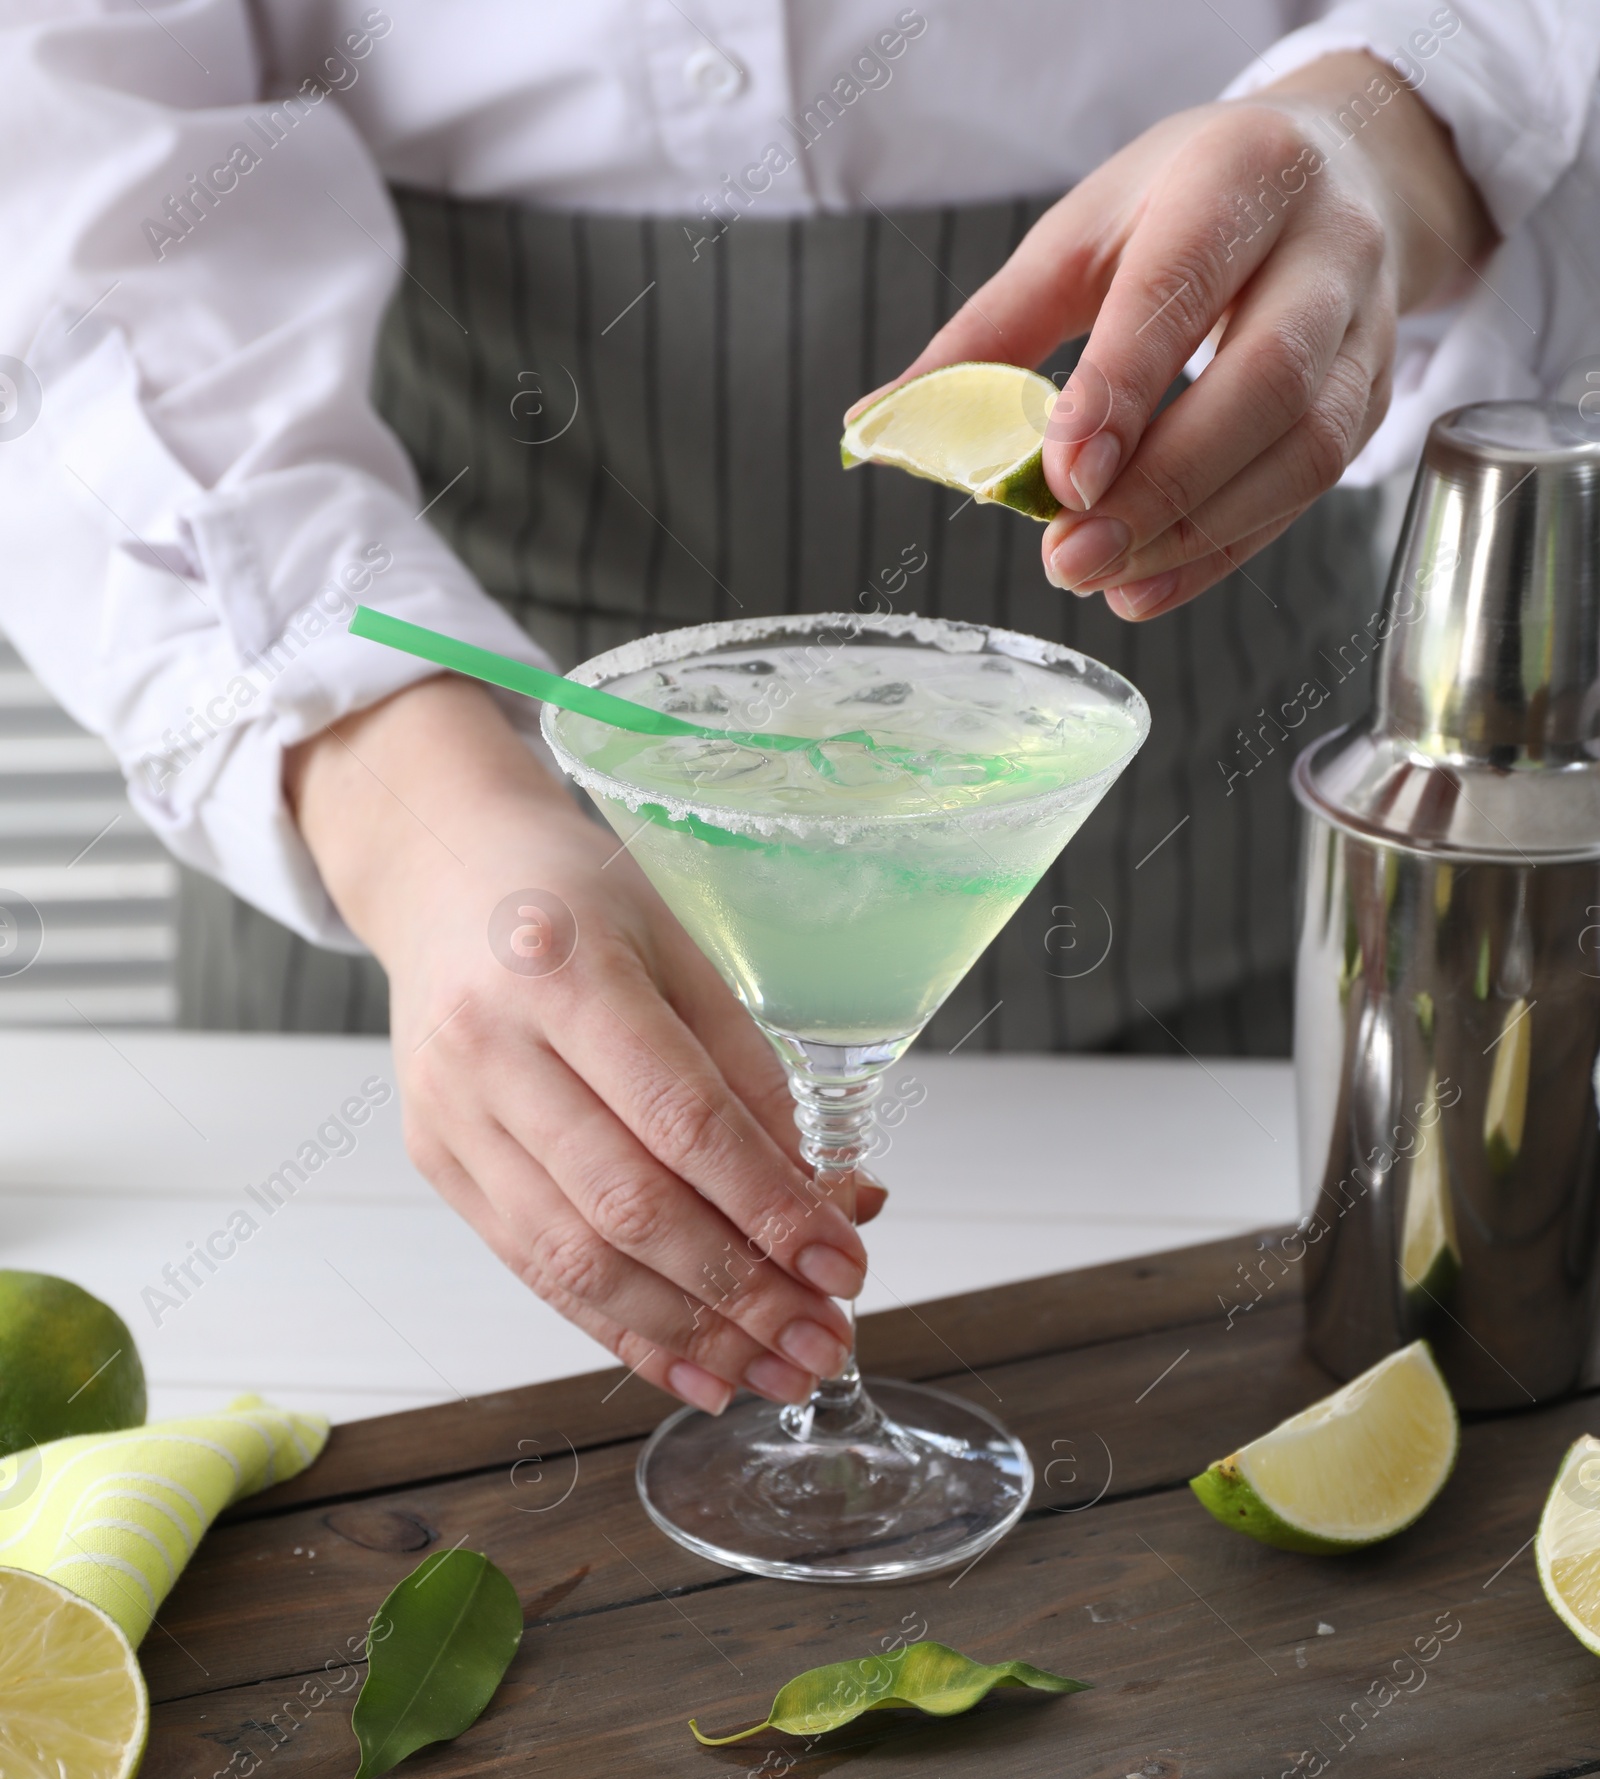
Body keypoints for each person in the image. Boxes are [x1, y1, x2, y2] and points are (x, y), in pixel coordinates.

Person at [0, 3, 1595, 1420]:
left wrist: (1387, 133)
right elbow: (56, 201)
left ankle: (837, 1438)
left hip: (1184, 875)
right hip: (436, 838)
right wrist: (407, 820)